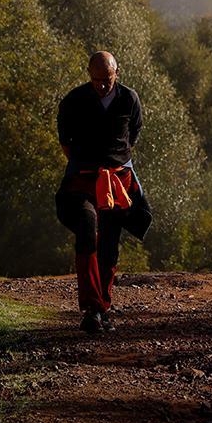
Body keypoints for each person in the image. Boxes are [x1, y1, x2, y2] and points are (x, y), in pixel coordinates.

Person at [54, 51, 151, 334]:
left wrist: (114, 162)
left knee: (110, 240)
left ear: (116, 73)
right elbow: (65, 143)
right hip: (83, 179)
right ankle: (91, 305)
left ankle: (100, 309)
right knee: (87, 226)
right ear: (89, 74)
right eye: (97, 80)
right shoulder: (73, 101)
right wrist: (88, 164)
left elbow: (133, 134)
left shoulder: (129, 99)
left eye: (107, 80)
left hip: (118, 179)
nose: (102, 86)